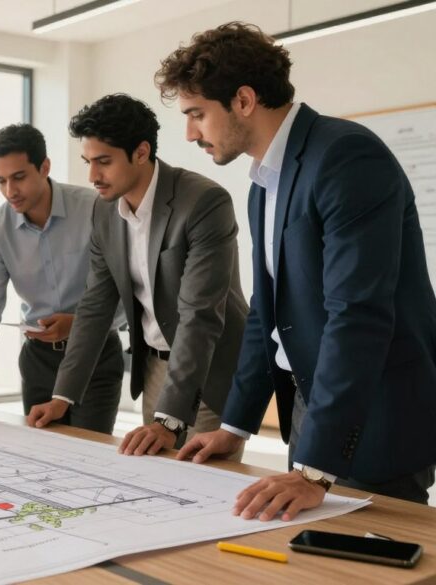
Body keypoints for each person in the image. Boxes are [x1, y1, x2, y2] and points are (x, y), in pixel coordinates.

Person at [156, 22, 436, 516]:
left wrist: (315, 467)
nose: (189, 132)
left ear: (243, 100)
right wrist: (235, 426)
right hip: (312, 405)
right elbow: (268, 313)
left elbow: (357, 314)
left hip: (372, 412)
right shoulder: (264, 181)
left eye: (197, 114)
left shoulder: (345, 156)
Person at [27, 94, 248, 459]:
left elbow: (199, 313)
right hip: (155, 369)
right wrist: (61, 397)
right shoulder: (105, 211)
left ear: (142, 152)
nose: (92, 176)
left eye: (104, 162)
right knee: (156, 483)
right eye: (88, 162)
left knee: (204, 492)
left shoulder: (204, 202)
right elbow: (96, 305)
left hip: (209, 368)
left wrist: (169, 420)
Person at [0, 124, 125, 432]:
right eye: (0, 181)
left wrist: (78, 323)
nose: (10, 191)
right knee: (44, 458)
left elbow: (123, 290)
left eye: (19, 177)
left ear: (45, 167)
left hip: (96, 354)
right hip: (38, 361)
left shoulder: (96, 209)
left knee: (88, 454)